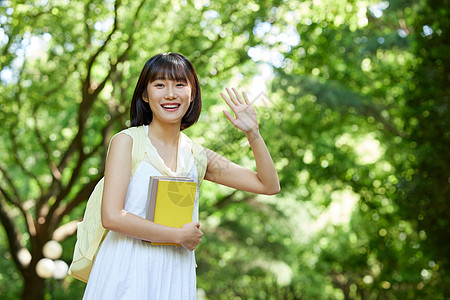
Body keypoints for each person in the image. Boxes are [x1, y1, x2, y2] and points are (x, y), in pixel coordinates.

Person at [82, 52, 280, 299]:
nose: (170, 93)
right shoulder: (127, 141)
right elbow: (112, 217)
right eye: (159, 84)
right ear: (145, 94)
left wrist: (253, 134)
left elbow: (268, 185)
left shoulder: (198, 156)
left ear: (192, 93)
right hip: (126, 269)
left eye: (180, 84)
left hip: (174, 273)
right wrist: (177, 236)